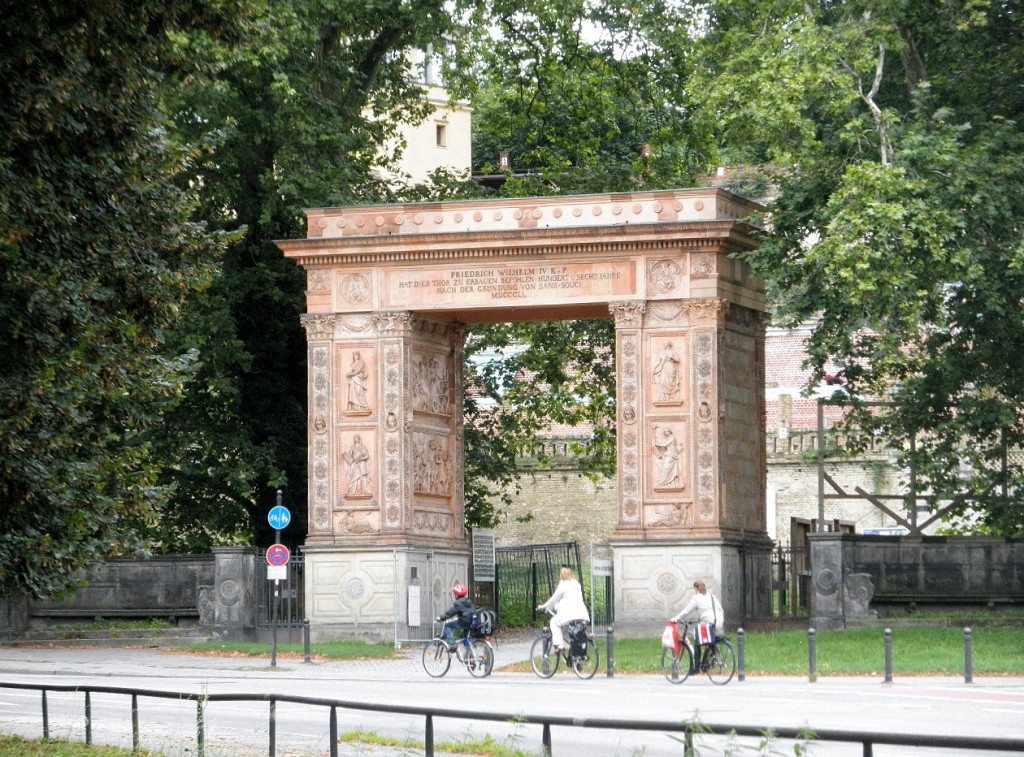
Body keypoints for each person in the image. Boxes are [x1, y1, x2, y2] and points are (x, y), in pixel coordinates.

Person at [670, 579, 724, 670]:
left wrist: (676, 618)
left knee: (697, 638)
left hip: (709, 622)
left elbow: (686, 611)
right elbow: (720, 610)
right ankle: (707, 660)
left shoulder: (697, 597)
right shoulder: (712, 596)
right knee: (708, 639)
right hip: (719, 621)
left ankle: (697, 667)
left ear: (696, 588)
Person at [536, 566, 590, 654]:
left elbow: (554, 599)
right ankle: (577, 659)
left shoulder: (563, 585)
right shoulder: (577, 585)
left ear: (561, 575)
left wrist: (544, 606)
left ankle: (560, 646)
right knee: (575, 634)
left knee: (554, 622)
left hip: (570, 615)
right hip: (583, 615)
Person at [437, 583, 474, 647]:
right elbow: (467, 612)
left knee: (447, 626)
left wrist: (442, 618)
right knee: (465, 638)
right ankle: (469, 653)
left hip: (463, 622)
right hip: (471, 622)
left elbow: (451, 613)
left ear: (456, 595)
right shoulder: (468, 601)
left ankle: (452, 643)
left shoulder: (458, 603)